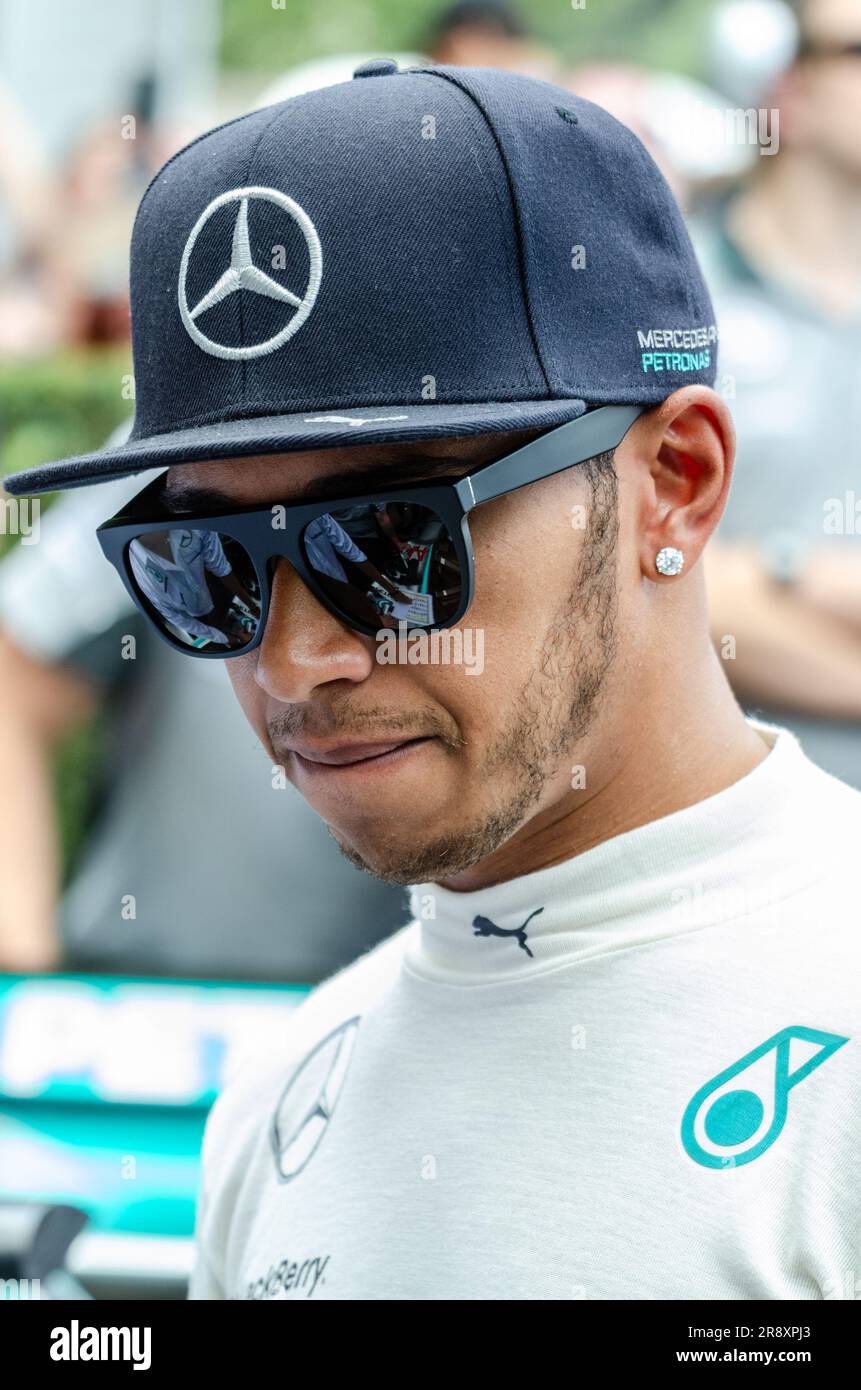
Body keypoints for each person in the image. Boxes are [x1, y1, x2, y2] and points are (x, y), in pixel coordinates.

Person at [5, 61, 860, 1301]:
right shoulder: (278, 1105)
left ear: (674, 481)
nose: (297, 660)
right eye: (209, 565)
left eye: (397, 543)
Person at [0, 470, 408, 979]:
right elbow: (12, 670)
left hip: (393, 1008)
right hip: (137, 998)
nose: (286, 668)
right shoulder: (156, 451)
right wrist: (25, 978)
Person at [694, 0, 861, 787]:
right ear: (783, 91)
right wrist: (803, 571)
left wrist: (767, 577)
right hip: (734, 868)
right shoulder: (665, 300)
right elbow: (629, 579)